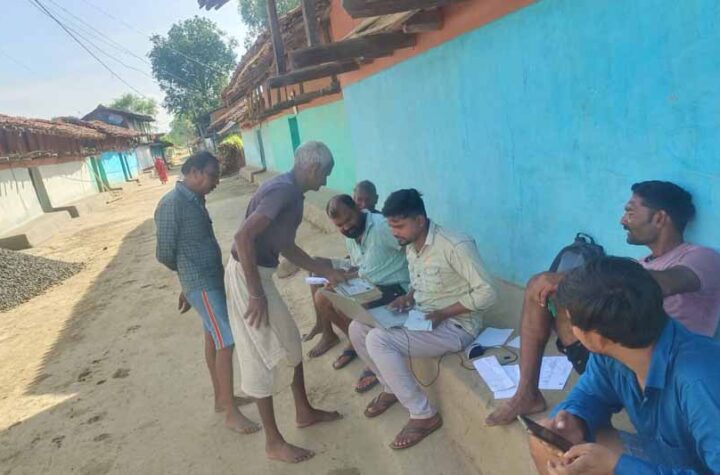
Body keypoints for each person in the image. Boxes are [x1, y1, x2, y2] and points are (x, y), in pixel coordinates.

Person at [486, 180, 720, 426]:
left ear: (660, 218)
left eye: (630, 212)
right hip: (614, 357)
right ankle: (527, 393)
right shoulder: (640, 264)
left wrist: (571, 278)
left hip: (659, 364)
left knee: (550, 285)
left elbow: (663, 283)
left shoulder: (700, 258)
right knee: (541, 288)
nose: (622, 220)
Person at [528, 256, 720, 474]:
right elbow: (591, 394)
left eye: (572, 322)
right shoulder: (614, 347)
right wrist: (574, 419)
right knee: (547, 444)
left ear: (597, 338)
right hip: (663, 457)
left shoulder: (701, 381)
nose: (571, 330)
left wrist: (619, 468)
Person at [226, 141, 346, 464]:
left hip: (259, 274)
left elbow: (285, 246)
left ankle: (304, 411)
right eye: (325, 174)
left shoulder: (290, 192)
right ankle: (273, 442)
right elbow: (243, 237)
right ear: (313, 168)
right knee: (260, 356)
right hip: (248, 277)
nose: (325, 181)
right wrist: (255, 293)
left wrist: (325, 271)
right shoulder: (284, 192)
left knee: (292, 343)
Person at [349, 189, 497, 449]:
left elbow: (488, 292)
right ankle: (390, 387)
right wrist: (408, 297)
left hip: (457, 326)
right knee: (357, 327)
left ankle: (423, 414)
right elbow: (420, 281)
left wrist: (443, 313)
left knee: (378, 340)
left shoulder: (455, 245)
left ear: (419, 220)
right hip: (423, 315)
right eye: (391, 226)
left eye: (399, 226)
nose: (394, 232)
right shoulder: (411, 245)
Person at [154, 151, 259, 435]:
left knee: (214, 337)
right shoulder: (172, 204)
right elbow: (164, 253)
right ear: (194, 173)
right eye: (212, 175)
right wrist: (188, 280)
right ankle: (231, 414)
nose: (216, 182)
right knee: (227, 339)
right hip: (201, 283)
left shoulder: (195, 198)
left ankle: (221, 399)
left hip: (210, 279)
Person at [306, 195, 410, 394]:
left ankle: (371, 357)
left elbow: (412, 249)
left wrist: (415, 289)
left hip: (396, 288)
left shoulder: (382, 227)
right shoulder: (352, 236)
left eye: (349, 220)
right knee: (323, 292)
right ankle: (358, 346)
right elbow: (361, 265)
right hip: (369, 285)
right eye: (340, 225)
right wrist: (341, 272)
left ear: (357, 207)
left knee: (345, 303)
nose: (346, 227)